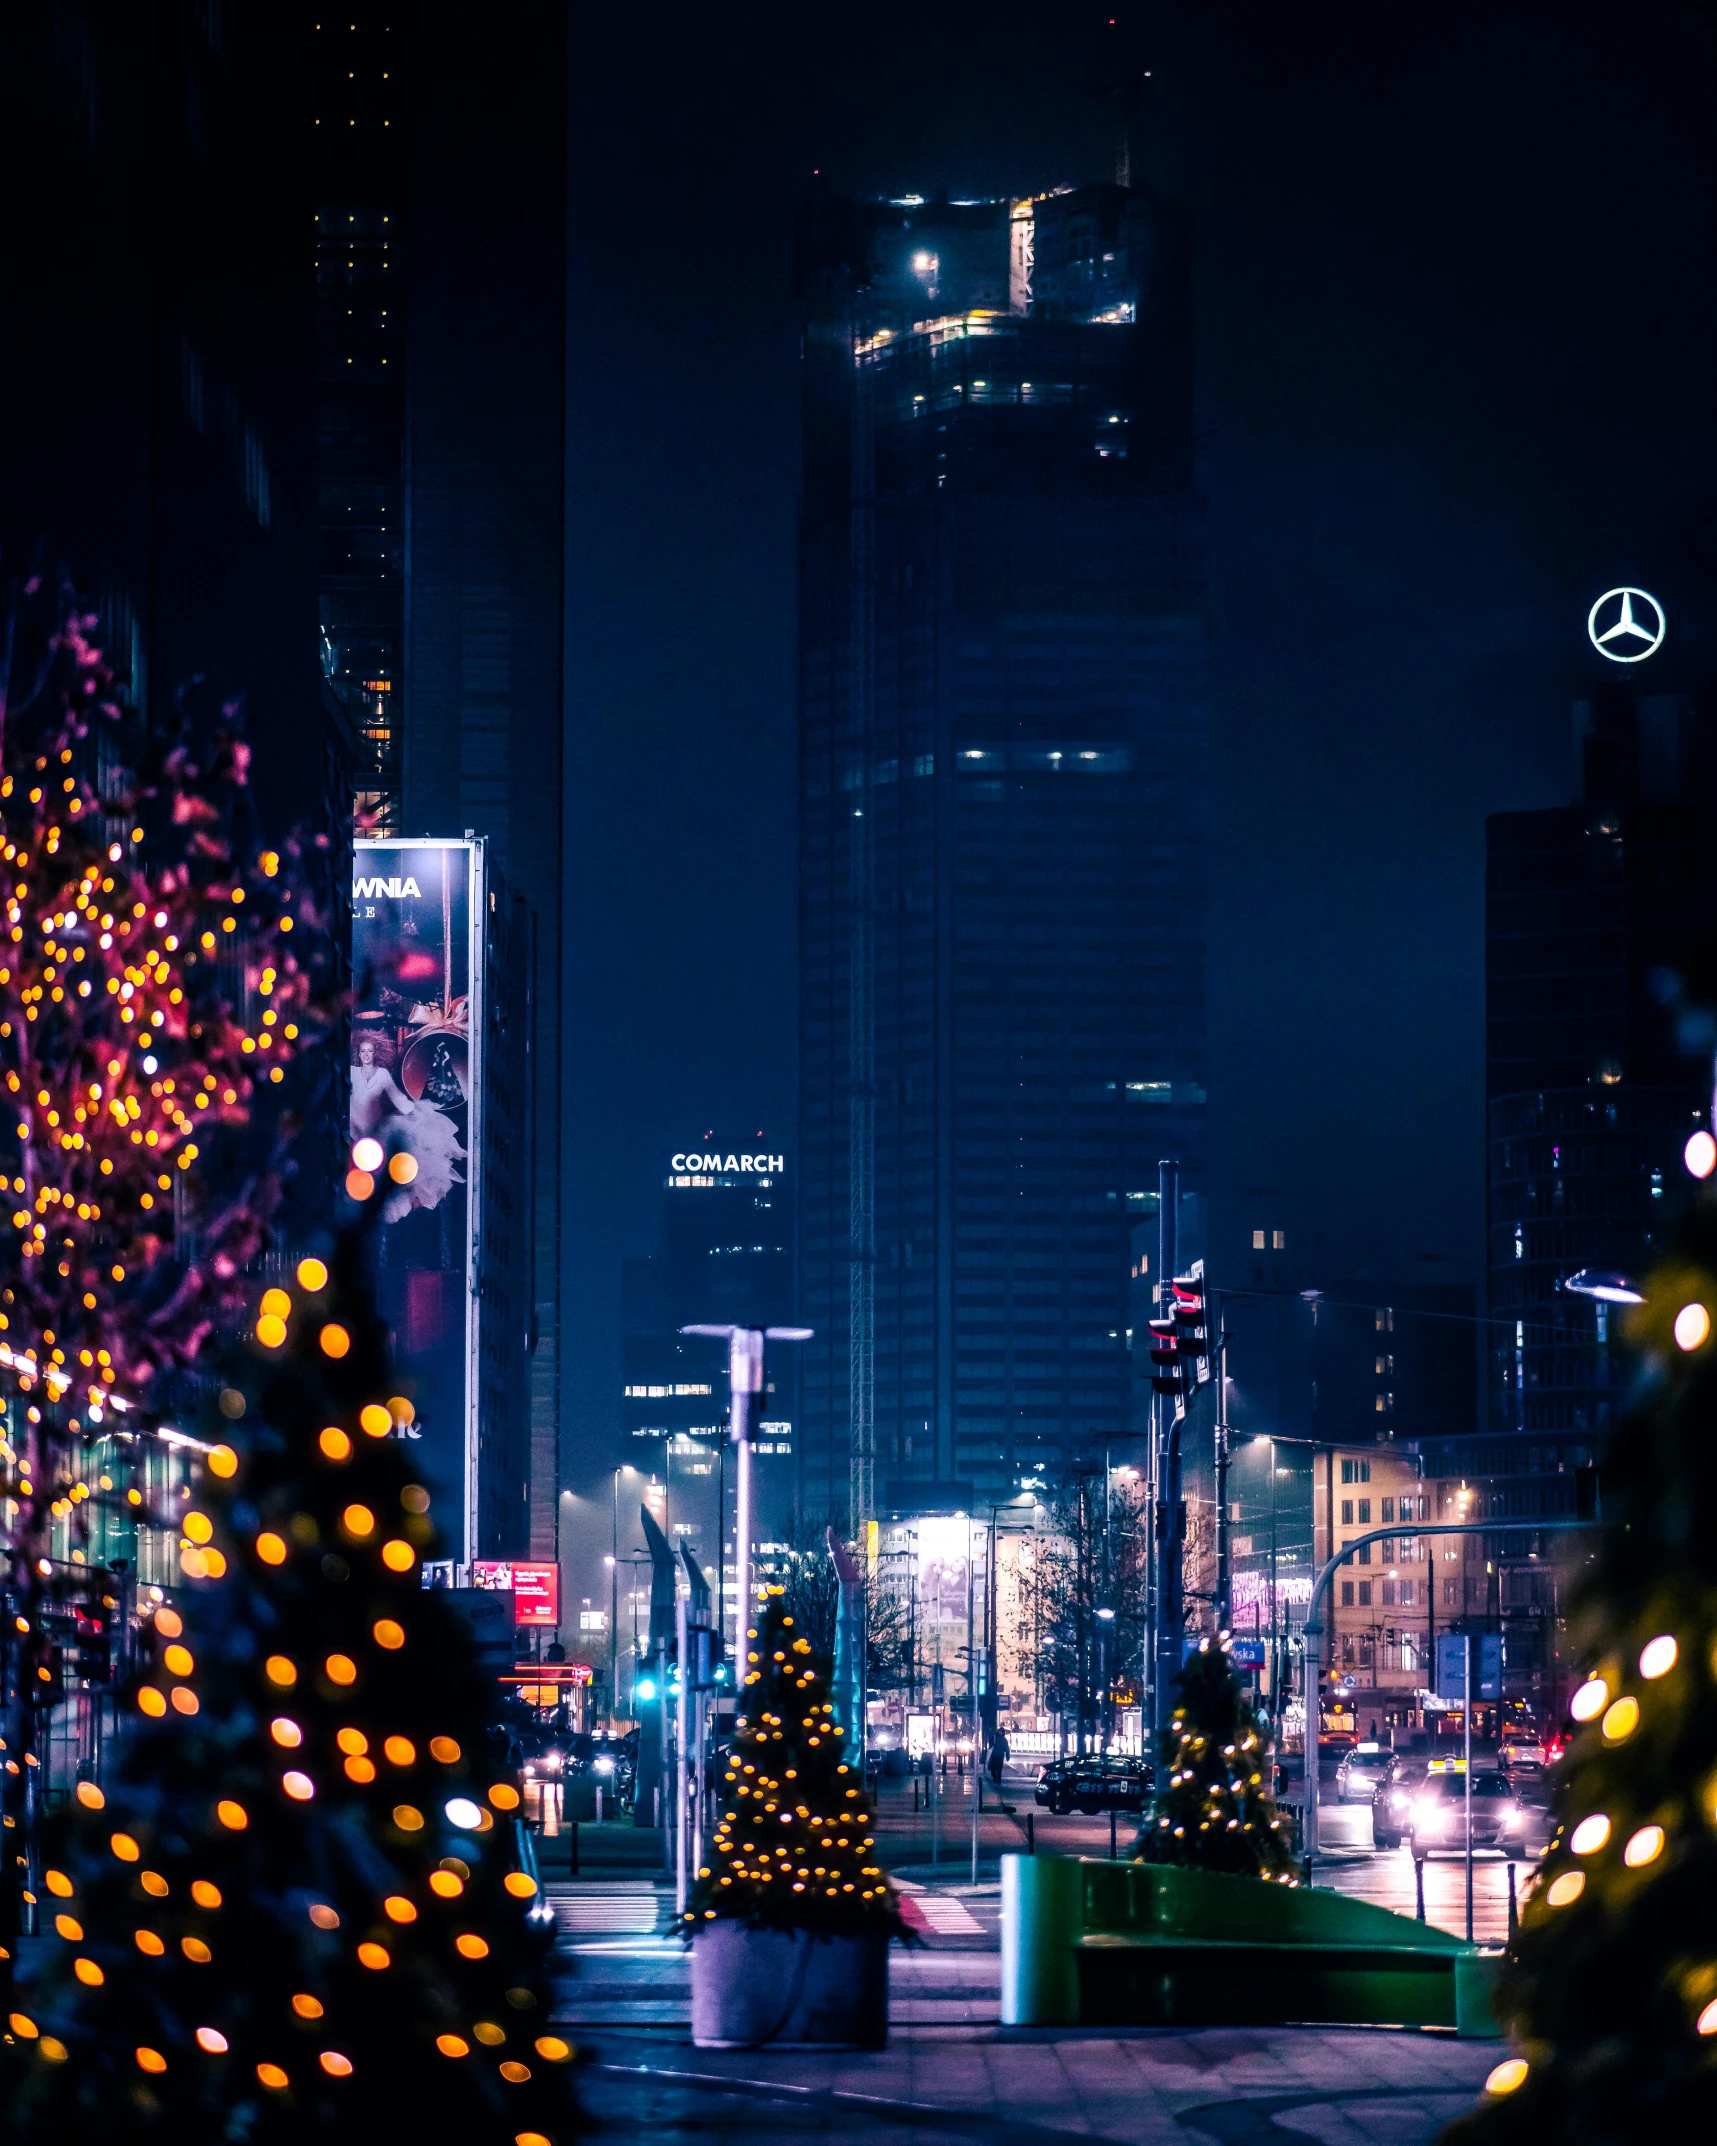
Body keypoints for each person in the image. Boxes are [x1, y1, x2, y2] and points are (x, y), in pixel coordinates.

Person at [987, 1725, 1009, 1790]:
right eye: (1000, 1731)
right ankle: (995, 1778)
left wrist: (1007, 1755)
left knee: (999, 1769)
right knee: (994, 1768)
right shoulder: (995, 1737)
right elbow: (990, 1742)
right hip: (995, 1755)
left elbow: (1006, 1748)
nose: (1001, 1733)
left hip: (999, 1756)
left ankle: (998, 1780)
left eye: (1002, 1732)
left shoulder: (1004, 1740)